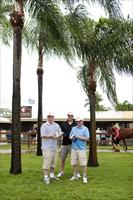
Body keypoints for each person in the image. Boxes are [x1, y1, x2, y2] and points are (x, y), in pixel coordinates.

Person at [41, 113, 63, 184]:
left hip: (54, 147)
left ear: (53, 117)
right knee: (47, 163)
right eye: (49, 117)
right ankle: (46, 177)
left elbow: (60, 133)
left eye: (51, 117)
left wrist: (58, 135)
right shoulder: (44, 126)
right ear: (47, 118)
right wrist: (51, 136)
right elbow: (43, 135)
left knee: (53, 163)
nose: (50, 118)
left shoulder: (56, 125)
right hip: (47, 148)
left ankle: (52, 176)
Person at [57, 112, 81, 178]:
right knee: (62, 159)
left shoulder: (75, 124)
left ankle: (77, 172)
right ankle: (61, 172)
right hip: (64, 144)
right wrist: (62, 134)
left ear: (73, 116)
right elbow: (60, 131)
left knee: (74, 159)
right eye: (68, 116)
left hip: (73, 144)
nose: (69, 117)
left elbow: (78, 132)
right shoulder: (64, 123)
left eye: (70, 116)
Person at [69, 117, 90, 183]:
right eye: (77, 121)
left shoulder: (85, 129)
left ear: (82, 121)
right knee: (74, 163)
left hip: (81, 149)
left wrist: (78, 137)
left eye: (80, 121)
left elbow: (87, 138)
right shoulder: (73, 128)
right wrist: (72, 137)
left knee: (83, 164)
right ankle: (75, 176)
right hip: (74, 148)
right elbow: (70, 136)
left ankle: (84, 176)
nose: (78, 122)